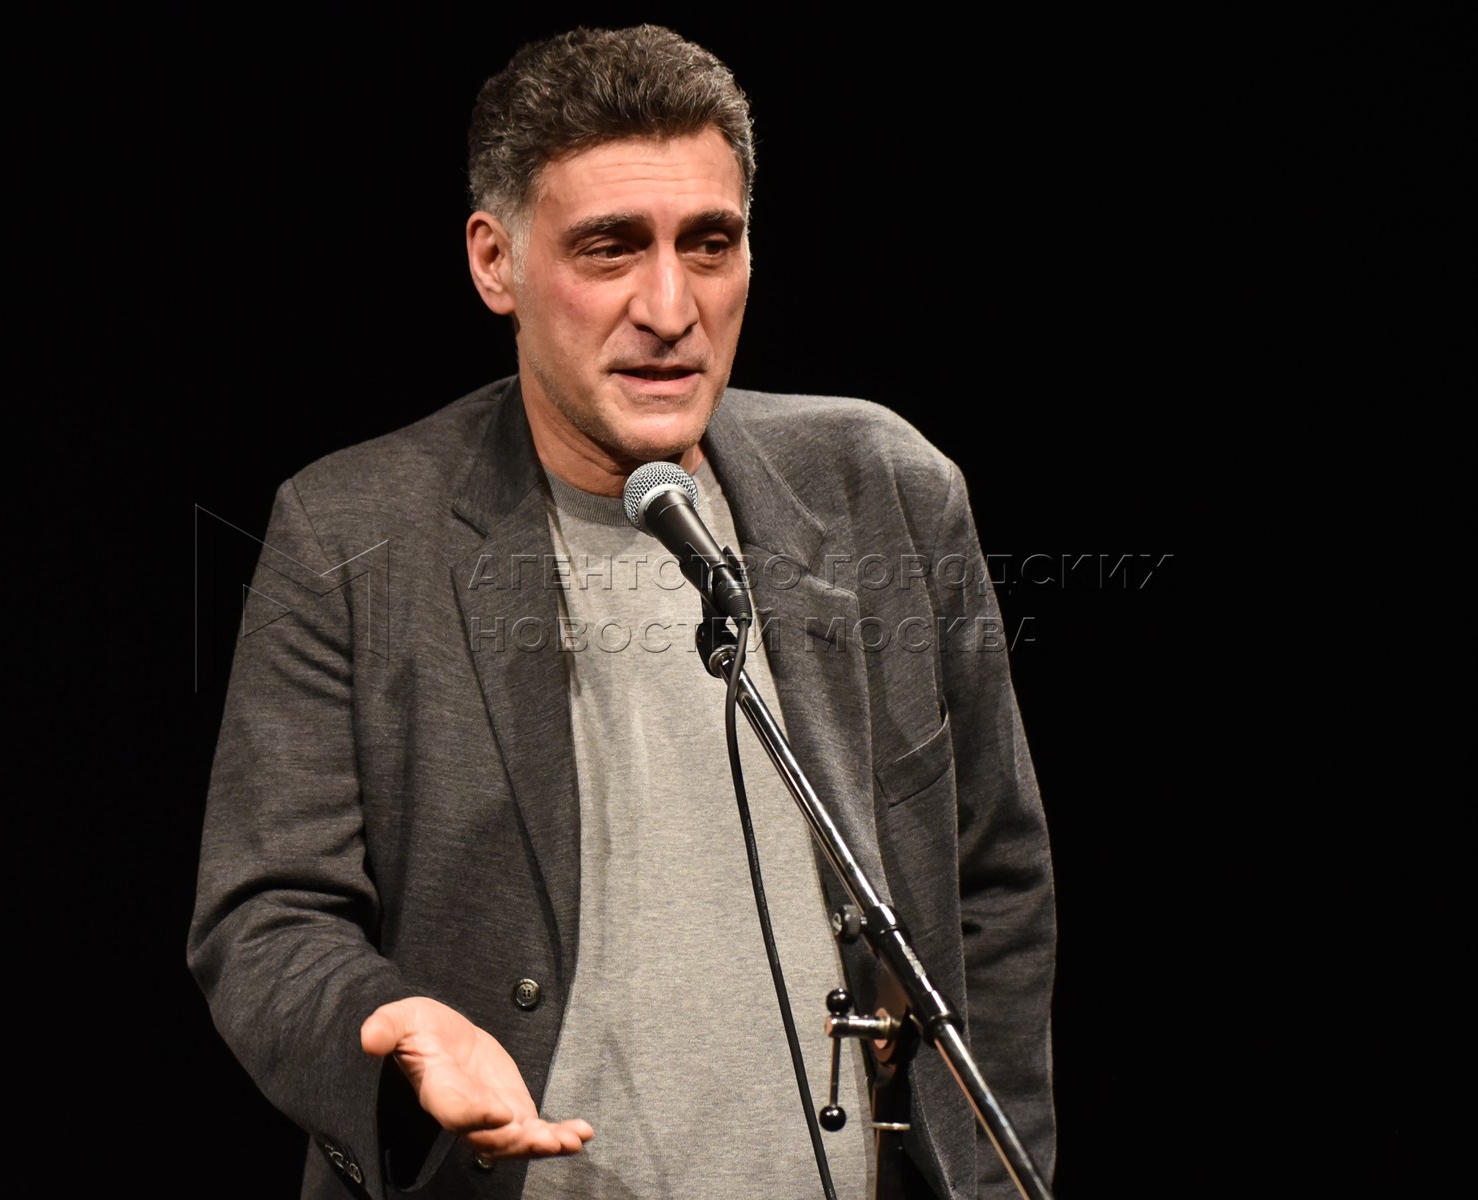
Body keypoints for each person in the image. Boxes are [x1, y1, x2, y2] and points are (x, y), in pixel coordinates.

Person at [189, 24, 1056, 1199]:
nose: (668, 305)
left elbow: (993, 882)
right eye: (609, 248)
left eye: (709, 243)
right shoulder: (350, 534)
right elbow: (264, 914)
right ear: (494, 263)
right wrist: (388, 1025)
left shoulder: (884, 489)